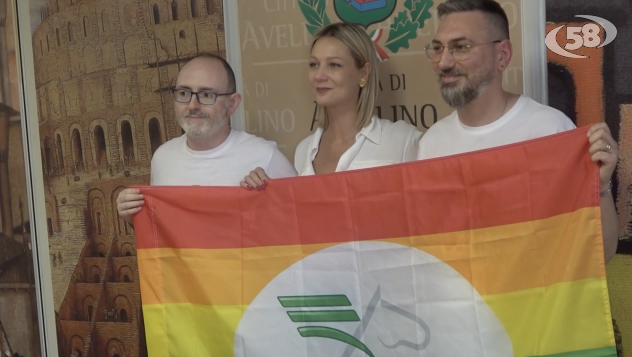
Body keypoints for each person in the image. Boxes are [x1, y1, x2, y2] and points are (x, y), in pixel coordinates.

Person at [418, 0, 619, 262]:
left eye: (461, 47)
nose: (443, 62)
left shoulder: (550, 131)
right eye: (437, 48)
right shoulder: (431, 144)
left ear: (502, 55)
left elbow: (600, 253)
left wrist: (601, 186)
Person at [116, 54, 296, 223]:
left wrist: (273, 199)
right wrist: (134, 217)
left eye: (207, 95)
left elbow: (298, 229)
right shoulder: (162, 158)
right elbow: (163, 232)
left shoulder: (266, 157)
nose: (193, 105)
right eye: (184, 93)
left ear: (232, 103)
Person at [241, 22, 422, 188]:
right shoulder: (303, 151)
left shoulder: (402, 141)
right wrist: (267, 190)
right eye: (314, 64)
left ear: (364, 73)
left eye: (334, 65)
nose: (319, 76)